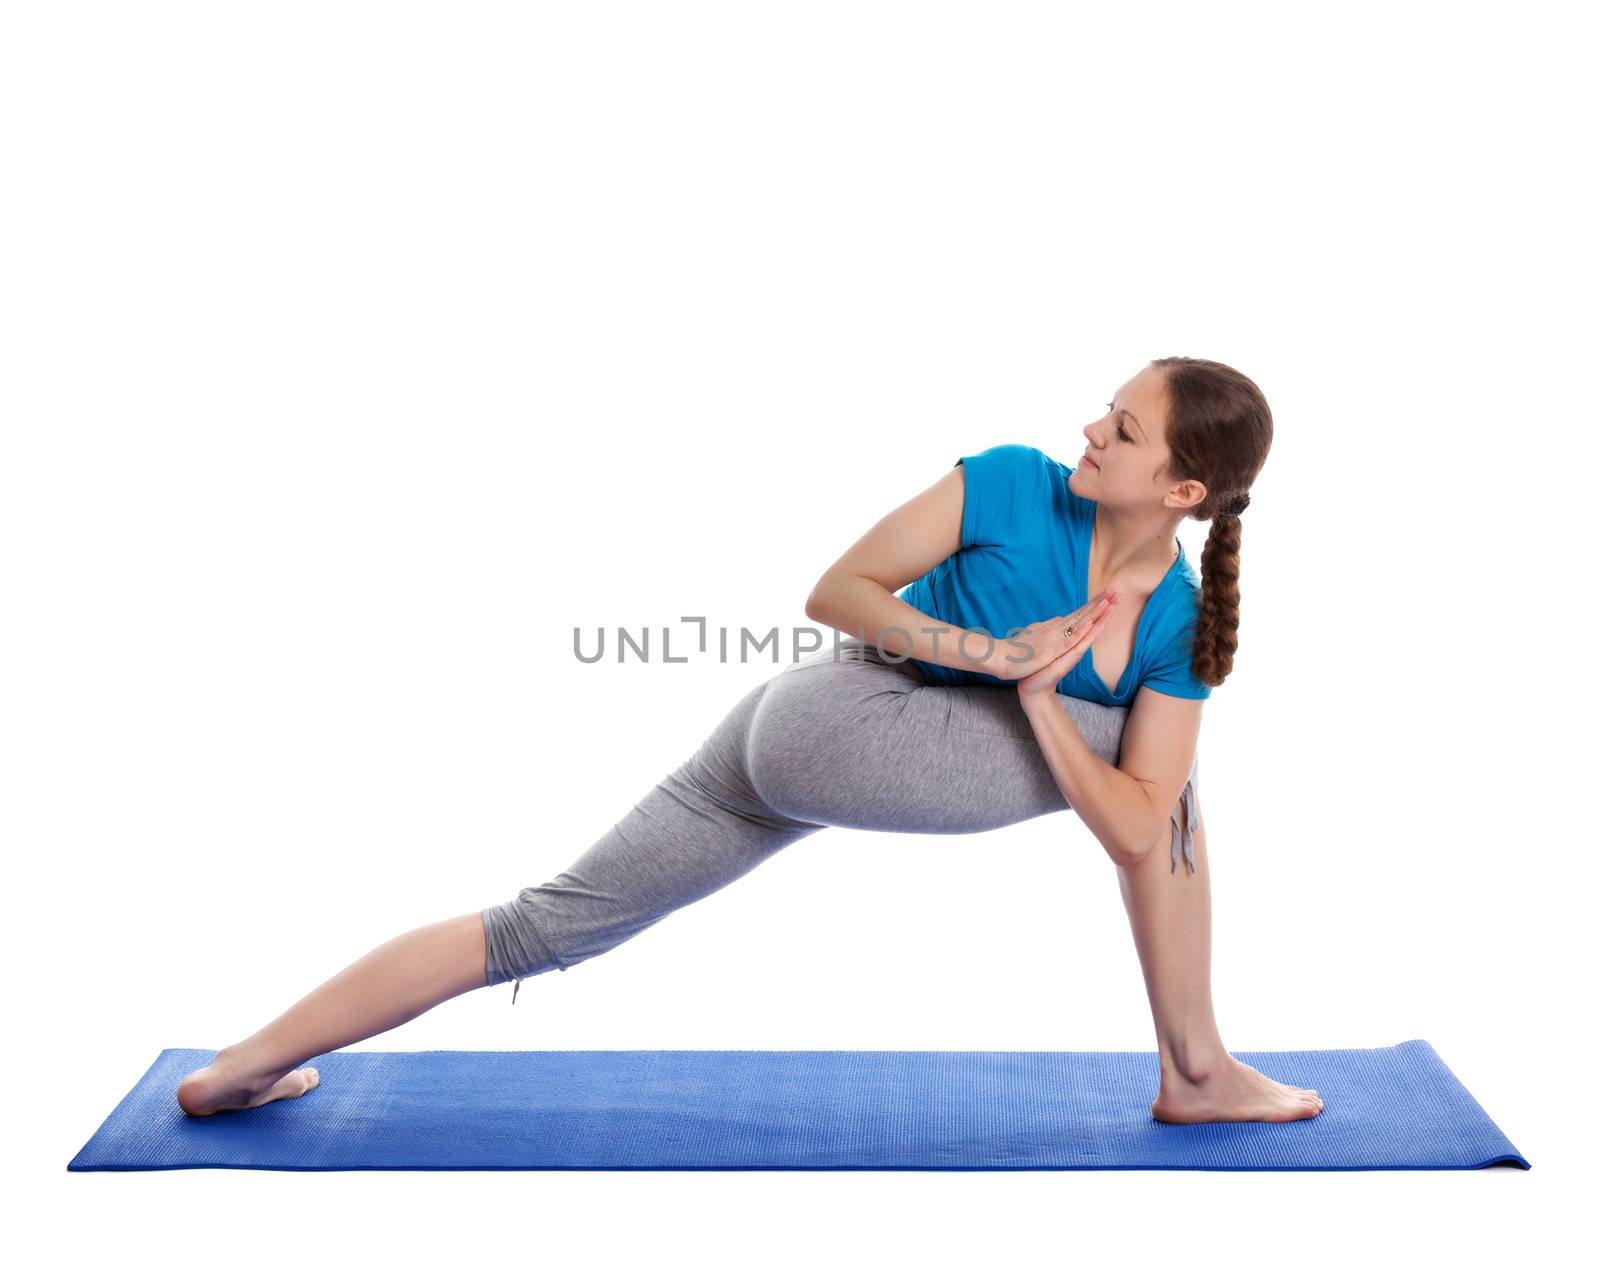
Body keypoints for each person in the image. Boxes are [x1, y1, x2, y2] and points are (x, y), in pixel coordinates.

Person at [177, 356, 1323, 1125]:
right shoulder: (1013, 483)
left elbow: (1133, 827)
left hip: (781, 744)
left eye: (1119, 430)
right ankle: (1195, 1067)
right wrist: (991, 661)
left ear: (1177, 486)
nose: (1088, 426)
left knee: (544, 921)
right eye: (1102, 405)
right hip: (848, 716)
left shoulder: (1178, 621)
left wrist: (1034, 700)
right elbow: (838, 588)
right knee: (1155, 772)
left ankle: (238, 1070)